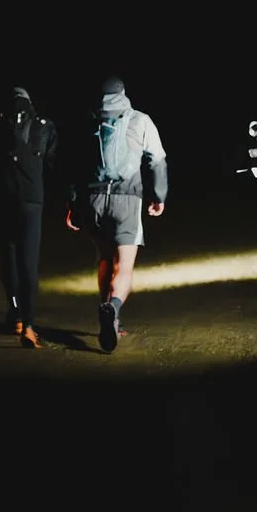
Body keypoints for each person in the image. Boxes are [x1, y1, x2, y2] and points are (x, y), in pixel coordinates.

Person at [64, 75, 168, 352]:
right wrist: (158, 196)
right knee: (124, 266)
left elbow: (74, 164)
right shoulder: (139, 120)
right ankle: (114, 307)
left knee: (105, 259)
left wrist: (73, 204)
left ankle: (107, 313)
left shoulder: (89, 121)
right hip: (127, 200)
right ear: (123, 93)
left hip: (94, 200)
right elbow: (157, 159)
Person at [0, 87, 58, 349]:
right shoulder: (44, 126)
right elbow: (52, 163)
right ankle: (28, 324)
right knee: (29, 261)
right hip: (32, 199)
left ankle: (15, 312)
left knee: (9, 256)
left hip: (3, 197)